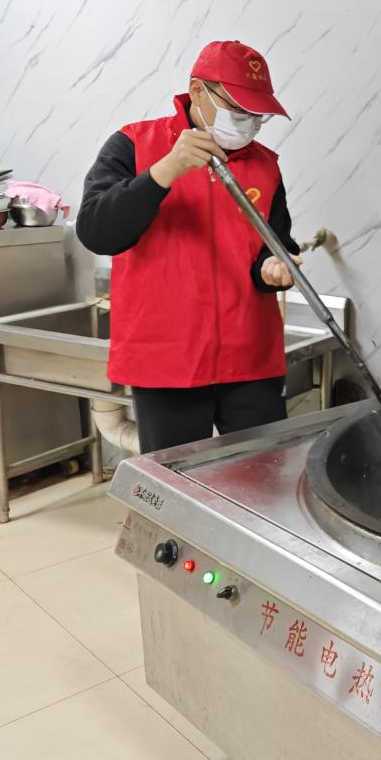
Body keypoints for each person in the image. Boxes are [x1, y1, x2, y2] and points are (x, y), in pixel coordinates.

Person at [77, 40, 302, 453]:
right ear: (198, 91)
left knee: (264, 472)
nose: (249, 123)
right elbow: (96, 232)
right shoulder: (134, 145)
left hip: (251, 357)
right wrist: (165, 171)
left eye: (258, 115)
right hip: (166, 360)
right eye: (239, 110)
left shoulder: (265, 164)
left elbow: (274, 244)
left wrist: (274, 268)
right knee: (177, 478)